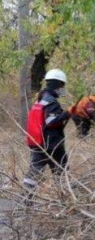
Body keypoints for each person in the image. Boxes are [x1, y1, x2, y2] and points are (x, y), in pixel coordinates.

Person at [22, 69, 77, 200]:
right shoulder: (51, 101)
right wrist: (67, 113)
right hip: (51, 144)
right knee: (61, 170)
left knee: (35, 172)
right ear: (57, 84)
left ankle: (25, 199)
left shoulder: (40, 100)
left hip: (39, 143)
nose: (62, 89)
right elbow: (51, 122)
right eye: (62, 85)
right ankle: (64, 198)